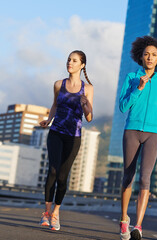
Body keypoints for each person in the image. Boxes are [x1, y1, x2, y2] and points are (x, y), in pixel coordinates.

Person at [118, 36, 157, 240]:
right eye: (146, 54)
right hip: (132, 130)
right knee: (129, 176)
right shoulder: (132, 77)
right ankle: (124, 219)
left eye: (154, 55)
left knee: (145, 178)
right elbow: (123, 106)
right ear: (141, 57)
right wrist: (139, 88)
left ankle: (138, 226)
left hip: (154, 132)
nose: (150, 57)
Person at [38, 50, 94, 231]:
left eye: (74, 60)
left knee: (62, 176)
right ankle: (46, 213)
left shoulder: (88, 89)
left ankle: (56, 212)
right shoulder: (58, 84)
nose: (70, 62)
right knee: (53, 170)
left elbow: (90, 117)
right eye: (69, 59)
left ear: (82, 65)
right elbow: (55, 104)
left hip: (73, 137)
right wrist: (49, 119)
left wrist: (86, 104)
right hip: (55, 132)